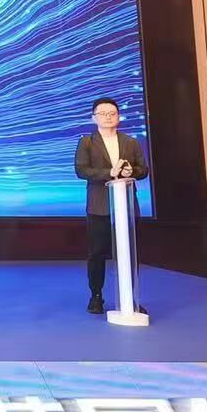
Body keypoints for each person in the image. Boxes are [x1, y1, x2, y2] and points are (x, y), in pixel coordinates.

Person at [74, 97, 152, 314]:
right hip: (98, 206)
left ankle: (130, 298)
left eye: (112, 113)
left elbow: (143, 170)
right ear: (94, 118)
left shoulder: (130, 142)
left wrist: (131, 172)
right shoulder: (87, 142)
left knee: (130, 253)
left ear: (118, 117)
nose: (108, 117)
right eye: (103, 113)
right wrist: (110, 172)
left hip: (126, 205)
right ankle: (96, 296)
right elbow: (81, 170)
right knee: (97, 253)